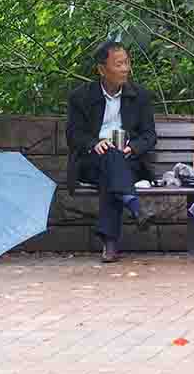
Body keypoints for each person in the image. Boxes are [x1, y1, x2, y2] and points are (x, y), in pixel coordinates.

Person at [66, 40, 157, 263]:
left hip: (128, 161)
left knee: (113, 166)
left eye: (126, 63)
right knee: (109, 157)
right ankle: (135, 206)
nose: (125, 69)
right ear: (101, 69)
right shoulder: (80, 97)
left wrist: (133, 147)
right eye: (119, 64)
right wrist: (93, 143)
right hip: (92, 162)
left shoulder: (140, 96)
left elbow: (149, 136)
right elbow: (73, 134)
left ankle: (110, 243)